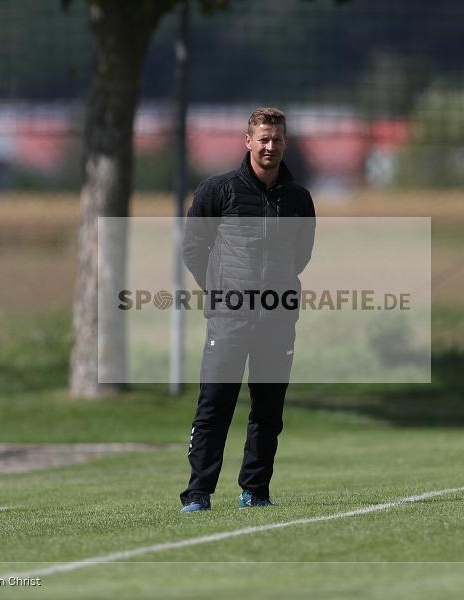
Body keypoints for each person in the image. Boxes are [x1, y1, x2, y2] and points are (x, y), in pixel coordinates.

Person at [180, 107, 316, 512]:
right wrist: (222, 292)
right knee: (215, 404)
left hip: (277, 320)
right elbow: (192, 249)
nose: (270, 146)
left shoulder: (298, 199)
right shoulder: (216, 192)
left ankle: (255, 491)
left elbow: (302, 253)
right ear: (248, 141)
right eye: (263, 138)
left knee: (268, 409)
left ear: (285, 143)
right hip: (230, 318)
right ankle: (198, 493)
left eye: (276, 139)